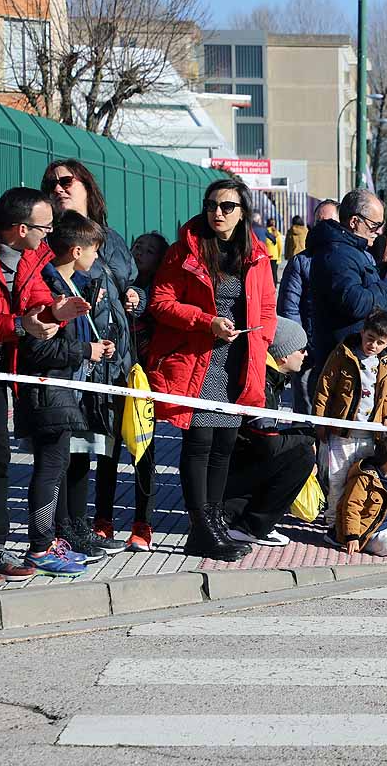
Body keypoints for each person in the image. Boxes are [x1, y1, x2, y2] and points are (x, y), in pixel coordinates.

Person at [148, 178, 277, 561]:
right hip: (197, 361)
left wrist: (261, 339)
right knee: (200, 444)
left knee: (224, 446)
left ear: (242, 213)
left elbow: (267, 306)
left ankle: (216, 520)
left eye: (226, 207)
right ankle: (201, 526)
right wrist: (206, 321)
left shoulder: (256, 253)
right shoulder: (184, 250)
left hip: (239, 362)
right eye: (211, 205)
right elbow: (160, 302)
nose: (217, 213)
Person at [42, 159, 140, 551]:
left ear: (87, 187)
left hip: (110, 361)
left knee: (96, 446)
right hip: (69, 355)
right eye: (51, 183)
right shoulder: (47, 240)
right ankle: (61, 528)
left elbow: (133, 286)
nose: (59, 188)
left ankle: (87, 523)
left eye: (67, 181)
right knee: (66, 449)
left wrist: (137, 298)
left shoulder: (111, 239)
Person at [0, 188, 89, 582]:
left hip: (6, 369)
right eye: (44, 227)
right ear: (20, 228)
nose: (49, 234)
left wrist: (56, 310)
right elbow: (12, 319)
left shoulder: (33, 258)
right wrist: (20, 326)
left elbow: (37, 303)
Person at [16, 212, 112, 575]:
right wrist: (85, 352)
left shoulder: (72, 285)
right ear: (76, 250)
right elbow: (39, 348)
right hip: (48, 391)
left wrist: (94, 347)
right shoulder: (50, 289)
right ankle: (40, 546)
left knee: (55, 467)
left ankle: (50, 541)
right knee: (49, 468)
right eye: (94, 251)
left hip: (63, 390)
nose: (97, 260)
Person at [222, 317, 315, 548]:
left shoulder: (271, 378)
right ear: (283, 355)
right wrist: (305, 438)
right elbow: (266, 443)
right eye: (301, 350)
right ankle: (250, 526)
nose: (305, 355)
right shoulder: (261, 381)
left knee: (297, 449)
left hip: (238, 465)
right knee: (302, 456)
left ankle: (242, 515)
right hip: (231, 471)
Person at [313, 310, 387, 524]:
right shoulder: (342, 355)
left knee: (361, 478)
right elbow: (324, 388)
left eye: (380, 343)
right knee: (337, 477)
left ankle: (352, 519)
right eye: (370, 338)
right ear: (362, 332)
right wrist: (320, 421)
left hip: (370, 435)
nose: (373, 345)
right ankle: (333, 519)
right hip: (342, 433)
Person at [306, 190, 387, 369]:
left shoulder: (353, 251)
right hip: (345, 362)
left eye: (381, 225)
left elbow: (371, 295)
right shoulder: (338, 254)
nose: (379, 232)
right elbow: (357, 303)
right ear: (354, 221)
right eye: (374, 225)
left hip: (358, 358)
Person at [120, 231, 168, 551]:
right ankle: (102, 522)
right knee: (110, 450)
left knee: (144, 451)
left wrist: (137, 301)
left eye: (149, 251)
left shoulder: (156, 289)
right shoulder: (121, 278)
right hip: (117, 372)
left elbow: (144, 299)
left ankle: (142, 523)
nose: (141, 253)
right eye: (138, 247)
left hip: (148, 378)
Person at [279, 199, 337, 415]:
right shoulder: (300, 263)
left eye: (329, 222)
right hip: (308, 354)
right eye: (319, 222)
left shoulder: (356, 259)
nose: (323, 228)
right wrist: (300, 347)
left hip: (340, 351)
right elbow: (288, 309)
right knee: (306, 414)